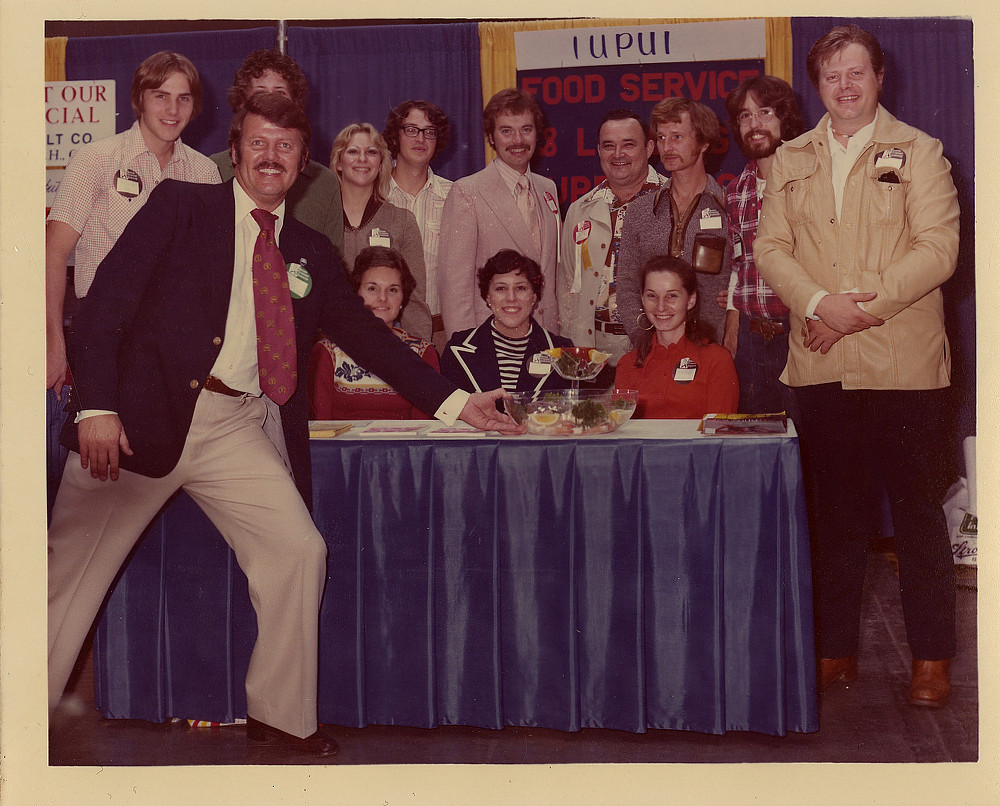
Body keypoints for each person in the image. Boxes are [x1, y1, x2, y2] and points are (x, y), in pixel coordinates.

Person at [47, 92, 521, 759]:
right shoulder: (182, 207)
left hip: (235, 424)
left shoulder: (310, 251)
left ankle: (281, 717)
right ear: (235, 150)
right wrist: (96, 406)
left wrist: (457, 404)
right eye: (260, 143)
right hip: (136, 421)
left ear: (304, 166)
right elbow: (104, 304)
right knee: (66, 579)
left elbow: (370, 337)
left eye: (287, 146)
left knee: (298, 552)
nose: (272, 157)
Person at [754, 25, 961, 707]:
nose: (844, 87)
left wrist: (854, 311)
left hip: (903, 365)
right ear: (818, 85)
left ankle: (931, 659)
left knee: (917, 517)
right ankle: (834, 649)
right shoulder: (789, 158)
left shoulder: (922, 152)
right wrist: (816, 302)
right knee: (831, 516)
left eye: (857, 74)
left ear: (879, 79)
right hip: (820, 365)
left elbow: (938, 250)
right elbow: (771, 248)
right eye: (831, 76)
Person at [45, 51, 221, 512]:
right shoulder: (97, 159)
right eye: (160, 96)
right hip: (102, 339)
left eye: (184, 99)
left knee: (157, 482)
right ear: (138, 100)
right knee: (90, 486)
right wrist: (53, 341)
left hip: (168, 351)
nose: (172, 109)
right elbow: (52, 251)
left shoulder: (203, 172)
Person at [438, 88, 561, 340]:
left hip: (544, 339)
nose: (518, 140)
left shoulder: (547, 189)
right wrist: (466, 353)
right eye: (506, 131)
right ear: (491, 138)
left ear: (538, 134)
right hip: (490, 342)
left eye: (526, 129)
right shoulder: (467, 192)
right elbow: (455, 288)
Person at [718, 75, 804, 417]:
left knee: (806, 447)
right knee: (756, 441)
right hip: (751, 343)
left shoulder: (808, 181)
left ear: (784, 118)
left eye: (764, 112)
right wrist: (732, 326)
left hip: (799, 336)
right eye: (744, 116)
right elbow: (739, 265)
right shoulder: (736, 191)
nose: (754, 124)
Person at [617, 97, 734, 346]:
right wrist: (643, 340)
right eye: (661, 138)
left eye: (677, 137)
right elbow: (627, 284)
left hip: (713, 350)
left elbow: (747, 277)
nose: (667, 147)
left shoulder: (730, 207)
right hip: (653, 349)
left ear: (703, 142)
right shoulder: (640, 211)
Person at [209, 48, 344, 253]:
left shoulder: (324, 183)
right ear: (242, 104)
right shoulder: (212, 170)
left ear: (296, 105)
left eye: (280, 93)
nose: (271, 103)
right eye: (260, 93)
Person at [558, 109, 663, 366]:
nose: (618, 155)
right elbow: (567, 284)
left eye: (628, 145)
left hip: (655, 345)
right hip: (594, 350)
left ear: (649, 148)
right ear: (598, 151)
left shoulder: (673, 201)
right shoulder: (579, 209)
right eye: (609, 146)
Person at [308, 246, 438, 420]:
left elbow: (422, 431)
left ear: (402, 299)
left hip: (403, 447)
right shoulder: (328, 352)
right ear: (356, 294)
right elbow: (320, 426)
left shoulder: (422, 353)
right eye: (372, 289)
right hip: (343, 447)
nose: (382, 298)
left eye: (392, 290)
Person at [332, 122, 432, 341]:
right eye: (352, 151)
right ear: (339, 162)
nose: (362, 159)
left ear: (380, 164)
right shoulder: (320, 218)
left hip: (385, 344)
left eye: (371, 152)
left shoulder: (402, 221)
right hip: (330, 344)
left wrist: (420, 356)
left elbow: (414, 300)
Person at [616, 256, 738, 419]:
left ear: (690, 300)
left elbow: (719, 435)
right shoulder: (627, 364)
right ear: (642, 298)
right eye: (652, 296)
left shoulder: (717, 360)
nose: (661, 306)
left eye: (672, 296)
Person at [441, 249, 571, 398]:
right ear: (488, 297)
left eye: (521, 288)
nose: (511, 298)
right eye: (501, 288)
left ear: (534, 296)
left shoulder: (563, 353)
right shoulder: (457, 348)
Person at [383, 100, 454, 353]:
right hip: (379, 333)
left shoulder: (455, 197)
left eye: (429, 131)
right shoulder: (372, 194)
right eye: (411, 129)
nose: (420, 138)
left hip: (439, 335)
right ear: (396, 136)